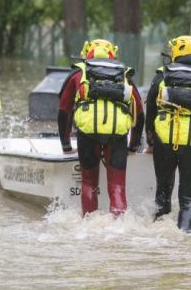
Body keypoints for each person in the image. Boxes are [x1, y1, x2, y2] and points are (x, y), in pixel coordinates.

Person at [57, 39, 144, 216]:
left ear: (87, 53)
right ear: (113, 53)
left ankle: (89, 225)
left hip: (87, 133)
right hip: (117, 134)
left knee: (89, 183)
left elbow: (64, 111)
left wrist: (66, 145)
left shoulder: (78, 73)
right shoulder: (124, 75)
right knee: (118, 185)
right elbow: (139, 113)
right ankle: (119, 226)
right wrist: (134, 145)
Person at [144, 35, 191, 232]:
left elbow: (150, 111)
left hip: (164, 139)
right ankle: (185, 238)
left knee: (163, 191)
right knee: (188, 199)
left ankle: (159, 233)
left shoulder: (162, 74)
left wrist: (151, 142)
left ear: (174, 51)